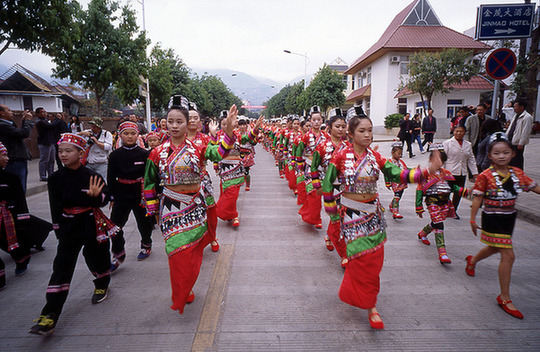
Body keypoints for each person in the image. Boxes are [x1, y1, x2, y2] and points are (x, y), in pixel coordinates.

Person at [322, 107, 435, 329]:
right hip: (352, 214)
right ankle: (369, 304)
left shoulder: (375, 157)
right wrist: (331, 210)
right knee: (358, 258)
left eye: (370, 130)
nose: (367, 135)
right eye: (362, 131)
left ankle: (369, 301)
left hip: (373, 214)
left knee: (374, 261)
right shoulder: (340, 156)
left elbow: (398, 173)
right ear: (351, 134)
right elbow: (328, 183)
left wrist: (425, 172)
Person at [143, 97, 238, 314]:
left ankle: (187, 284)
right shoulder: (157, 152)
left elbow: (219, 153)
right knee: (176, 254)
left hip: (195, 207)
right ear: (163, 123)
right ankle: (180, 290)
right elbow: (148, 182)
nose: (174, 126)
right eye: (170, 121)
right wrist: (151, 209)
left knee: (193, 252)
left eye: (179, 121)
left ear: (188, 124)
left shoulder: (199, 146)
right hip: (170, 209)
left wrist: (229, 132)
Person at [29, 133, 118, 336]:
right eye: (60, 151)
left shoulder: (91, 176)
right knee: (61, 267)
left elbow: (105, 199)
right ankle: (50, 315)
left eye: (68, 151)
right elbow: (55, 205)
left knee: (96, 258)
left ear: (81, 152)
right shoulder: (55, 178)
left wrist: (97, 196)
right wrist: (58, 228)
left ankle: (102, 284)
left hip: (90, 223)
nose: (63, 155)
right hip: (69, 227)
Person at [467, 132, 540, 319]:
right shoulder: (485, 176)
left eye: (505, 152)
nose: (501, 156)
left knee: (493, 248)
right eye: (497, 153)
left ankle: (473, 261)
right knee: (508, 254)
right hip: (492, 218)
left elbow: (534, 187)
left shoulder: (518, 174)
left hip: (509, 219)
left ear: (512, 154)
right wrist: (473, 219)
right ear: (490, 155)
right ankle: (504, 297)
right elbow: (477, 198)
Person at [107, 122, 154, 271]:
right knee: (115, 226)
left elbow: (150, 177)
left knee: (144, 222)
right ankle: (118, 253)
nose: (129, 136)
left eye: (133, 133)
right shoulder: (114, 156)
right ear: (120, 135)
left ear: (138, 135)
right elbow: (110, 177)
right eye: (126, 133)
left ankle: (146, 244)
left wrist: (151, 195)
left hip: (139, 193)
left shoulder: (145, 154)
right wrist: (112, 196)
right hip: (121, 192)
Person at [415, 144, 469, 264]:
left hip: (444, 203)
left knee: (436, 222)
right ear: (430, 160)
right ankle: (442, 252)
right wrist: (418, 207)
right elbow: (419, 189)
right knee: (439, 224)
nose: (438, 162)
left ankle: (423, 233)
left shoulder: (446, 173)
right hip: (432, 202)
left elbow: (452, 187)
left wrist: (464, 191)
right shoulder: (426, 174)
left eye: (441, 160)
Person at [310, 108, 348, 262]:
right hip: (329, 189)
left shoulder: (348, 146)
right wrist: (317, 186)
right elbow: (314, 166)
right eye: (337, 126)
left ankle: (329, 235)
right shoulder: (322, 146)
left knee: (342, 218)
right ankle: (344, 255)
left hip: (345, 189)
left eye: (343, 126)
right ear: (330, 128)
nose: (340, 129)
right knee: (335, 218)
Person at [215, 113, 262, 227]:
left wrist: (255, 129)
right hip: (224, 169)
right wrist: (216, 165)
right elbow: (213, 152)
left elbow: (247, 138)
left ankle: (233, 214)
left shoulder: (236, 135)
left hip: (236, 169)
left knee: (233, 193)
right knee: (225, 192)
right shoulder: (217, 136)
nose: (226, 126)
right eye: (224, 124)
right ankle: (229, 214)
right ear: (220, 125)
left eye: (229, 124)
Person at [187, 106, 220, 252]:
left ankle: (212, 237)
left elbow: (215, 154)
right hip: (183, 183)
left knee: (210, 210)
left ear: (200, 121)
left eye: (196, 118)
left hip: (202, 180)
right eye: (189, 117)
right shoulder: (176, 139)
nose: (192, 120)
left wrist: (213, 136)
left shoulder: (205, 138)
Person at [0, 142, 31, 290]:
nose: (7, 158)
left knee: (13, 243)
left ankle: (21, 260)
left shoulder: (10, 177)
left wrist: (22, 219)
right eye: (3, 155)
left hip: (8, 216)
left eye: (6, 154)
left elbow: (20, 199)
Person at [296, 106, 330, 229]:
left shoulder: (326, 136)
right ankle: (317, 218)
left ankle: (309, 213)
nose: (316, 122)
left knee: (319, 194)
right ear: (310, 121)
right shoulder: (305, 137)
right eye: (314, 120)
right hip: (310, 168)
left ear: (322, 121)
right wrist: (299, 165)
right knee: (313, 192)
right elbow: (299, 151)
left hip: (322, 169)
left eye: (319, 119)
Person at [442, 125, 477, 218]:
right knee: (446, 192)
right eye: (457, 131)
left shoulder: (468, 144)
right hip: (449, 172)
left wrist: (474, 172)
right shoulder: (447, 143)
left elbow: (471, 159)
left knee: (458, 193)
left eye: (461, 131)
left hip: (462, 172)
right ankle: (445, 209)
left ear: (464, 133)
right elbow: (442, 158)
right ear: (453, 132)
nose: (458, 133)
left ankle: (453, 211)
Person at [0, 106, 34, 193]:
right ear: (2, 113)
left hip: (17, 159)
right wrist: (28, 121)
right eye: (9, 110)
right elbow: (23, 133)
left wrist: (24, 121)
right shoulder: (3, 125)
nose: (12, 112)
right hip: (14, 160)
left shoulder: (8, 124)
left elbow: (19, 133)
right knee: (18, 188)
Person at [507, 99, 533, 170]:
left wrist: (521, 142)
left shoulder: (527, 117)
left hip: (517, 142)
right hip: (511, 139)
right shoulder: (516, 115)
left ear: (522, 107)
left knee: (517, 160)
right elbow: (511, 127)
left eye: (516, 106)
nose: (514, 108)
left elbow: (526, 131)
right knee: (510, 159)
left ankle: (518, 173)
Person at [384, 142, 408, 219]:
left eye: (401, 154)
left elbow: (406, 169)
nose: (400, 155)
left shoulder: (401, 162)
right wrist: (387, 182)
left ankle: (392, 205)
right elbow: (386, 173)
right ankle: (395, 211)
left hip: (402, 182)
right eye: (398, 153)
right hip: (395, 182)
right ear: (392, 152)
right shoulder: (390, 162)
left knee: (399, 195)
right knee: (397, 195)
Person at [35, 107, 57, 181]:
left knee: (51, 160)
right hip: (44, 143)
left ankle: (51, 174)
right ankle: (43, 176)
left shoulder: (45, 121)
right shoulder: (40, 121)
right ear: (38, 114)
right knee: (44, 160)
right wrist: (57, 120)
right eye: (42, 112)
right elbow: (50, 126)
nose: (45, 113)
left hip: (50, 142)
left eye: (45, 112)